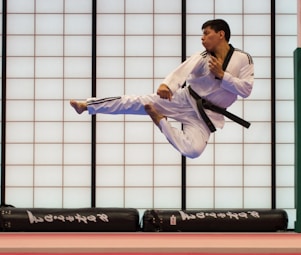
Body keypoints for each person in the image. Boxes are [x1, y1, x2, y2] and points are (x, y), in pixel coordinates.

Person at [70, 19, 254, 158]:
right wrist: (168, 85)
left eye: (206, 33)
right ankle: (87, 105)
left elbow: (246, 90)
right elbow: (182, 71)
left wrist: (223, 75)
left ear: (221, 34)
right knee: (135, 102)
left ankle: (161, 121)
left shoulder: (243, 59)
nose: (202, 38)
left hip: (206, 115)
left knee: (193, 151)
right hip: (184, 100)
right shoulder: (203, 57)